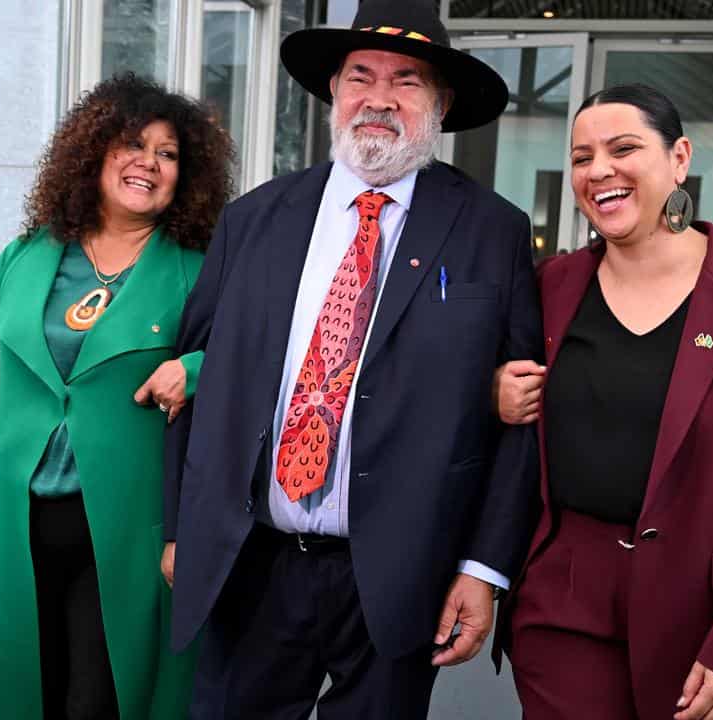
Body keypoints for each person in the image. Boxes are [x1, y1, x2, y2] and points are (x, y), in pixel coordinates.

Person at [162, 1, 542, 718]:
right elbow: (200, 372)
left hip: (402, 570)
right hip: (252, 561)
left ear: (441, 103)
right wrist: (183, 525)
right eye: (361, 76)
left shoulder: (493, 232)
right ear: (333, 90)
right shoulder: (254, 219)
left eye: (407, 81)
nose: (380, 98)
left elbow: (521, 424)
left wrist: (483, 570)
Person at [493, 84, 713, 720]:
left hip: (700, 611)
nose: (599, 170)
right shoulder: (553, 288)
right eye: (581, 157)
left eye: (624, 149)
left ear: (679, 158)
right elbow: (496, 402)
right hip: (563, 598)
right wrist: (498, 394)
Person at [0, 74, 233, 719]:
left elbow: (251, 361)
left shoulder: (198, 268)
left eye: (168, 154)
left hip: (130, 524)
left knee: (101, 694)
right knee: (27, 686)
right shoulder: (24, 257)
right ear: (93, 153)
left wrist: (196, 366)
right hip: (22, 517)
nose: (149, 163)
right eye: (132, 144)